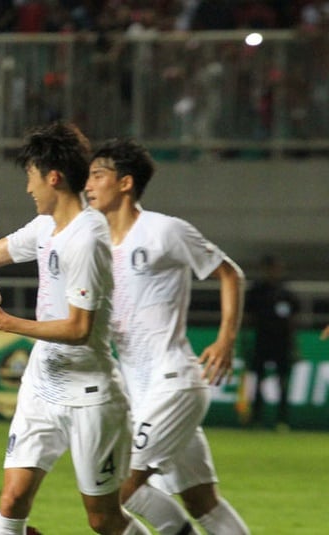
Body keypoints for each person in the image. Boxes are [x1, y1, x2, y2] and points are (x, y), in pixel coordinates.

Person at [0, 122, 148, 535]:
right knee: (11, 501)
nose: (28, 188)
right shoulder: (45, 228)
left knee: (103, 519)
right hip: (43, 384)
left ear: (53, 177)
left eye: (30, 177)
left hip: (90, 394)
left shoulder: (87, 238)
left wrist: (3, 322)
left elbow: (80, 328)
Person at [85, 138, 250, 534]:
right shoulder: (96, 243)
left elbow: (229, 273)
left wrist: (226, 338)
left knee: (113, 490)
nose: (87, 184)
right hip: (137, 390)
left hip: (173, 382)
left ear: (125, 183)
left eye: (97, 175)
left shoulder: (164, 231)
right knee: (201, 500)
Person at [244, 254, 299, 430]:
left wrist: (294, 345)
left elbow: (293, 319)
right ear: (265, 269)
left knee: (282, 382)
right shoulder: (256, 291)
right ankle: (256, 419)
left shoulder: (286, 292)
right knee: (258, 380)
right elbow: (247, 316)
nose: (275, 272)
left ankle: (282, 421)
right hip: (262, 341)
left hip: (282, 342)